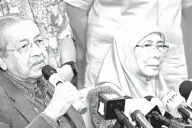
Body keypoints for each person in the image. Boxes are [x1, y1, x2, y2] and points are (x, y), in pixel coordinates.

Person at [91, 19, 175, 128]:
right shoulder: (105, 95)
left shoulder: (161, 90)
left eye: (160, 46)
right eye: (148, 45)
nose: (157, 54)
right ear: (126, 49)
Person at [64, 0, 192, 89]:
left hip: (170, 66)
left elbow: (187, 11)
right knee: (111, 123)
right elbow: (76, 9)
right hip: (114, 64)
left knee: (176, 122)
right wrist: (88, 51)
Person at [0, 0, 78, 83]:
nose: (37, 52)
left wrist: (68, 67)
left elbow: (64, 33)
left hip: (56, 78)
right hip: (17, 86)